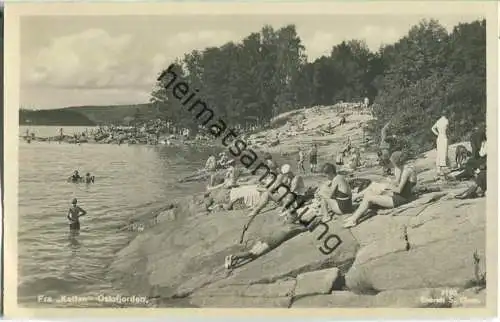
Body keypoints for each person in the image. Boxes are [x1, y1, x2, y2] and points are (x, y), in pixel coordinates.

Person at [343, 151, 417, 228]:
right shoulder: (402, 168)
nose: (392, 165)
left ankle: (353, 220)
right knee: (369, 192)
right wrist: (390, 183)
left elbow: (399, 190)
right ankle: (354, 217)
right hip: (396, 194)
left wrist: (388, 186)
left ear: (397, 162)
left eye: (393, 162)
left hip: (400, 198)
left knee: (369, 198)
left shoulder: (406, 171)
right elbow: (398, 182)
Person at [225, 223, 309, 269]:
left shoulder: (286, 225)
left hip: (266, 240)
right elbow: (304, 228)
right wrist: (306, 228)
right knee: (252, 254)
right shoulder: (292, 228)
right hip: (269, 243)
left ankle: (235, 257)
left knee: (252, 254)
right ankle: (232, 256)